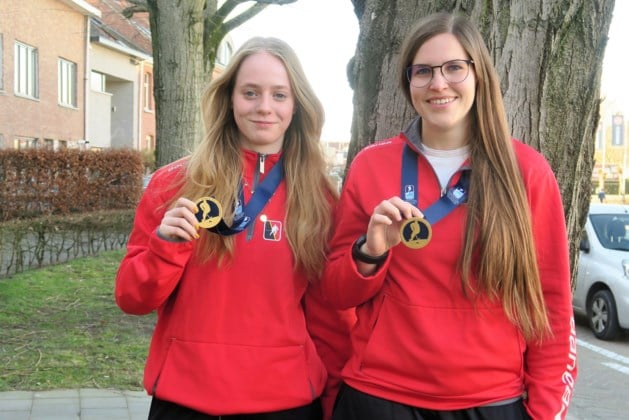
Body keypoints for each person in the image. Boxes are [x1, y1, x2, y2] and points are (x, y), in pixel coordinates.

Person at [321, 12, 577, 420]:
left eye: (454, 68)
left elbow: (551, 308)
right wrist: (369, 252)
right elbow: (335, 294)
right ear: (409, 83)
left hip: (489, 401)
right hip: (378, 395)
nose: (438, 83)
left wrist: (545, 413)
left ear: (479, 74)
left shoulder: (526, 171)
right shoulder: (372, 166)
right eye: (422, 71)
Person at [115, 37, 354, 420]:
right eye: (250, 93)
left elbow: (330, 317)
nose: (264, 107)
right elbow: (132, 298)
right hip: (185, 401)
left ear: (297, 105)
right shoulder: (173, 184)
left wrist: (335, 402)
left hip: (287, 404)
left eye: (279, 95)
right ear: (229, 99)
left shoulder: (320, 198)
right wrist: (166, 247)